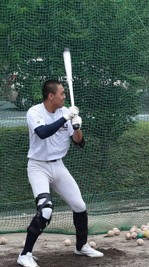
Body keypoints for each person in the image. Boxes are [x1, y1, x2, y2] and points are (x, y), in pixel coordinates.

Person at [17, 80, 103, 267]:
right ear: (51, 96)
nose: (64, 96)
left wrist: (77, 127)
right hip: (38, 166)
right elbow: (42, 132)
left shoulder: (65, 113)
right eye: (61, 93)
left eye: (65, 93)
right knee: (45, 209)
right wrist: (66, 119)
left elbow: (80, 143)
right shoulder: (35, 112)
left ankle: (81, 246)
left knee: (79, 206)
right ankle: (25, 254)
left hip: (58, 166)